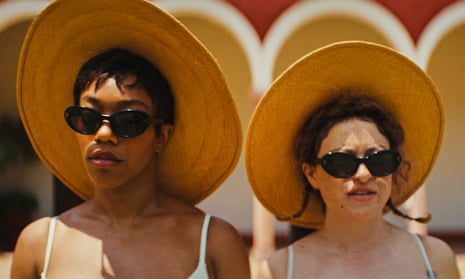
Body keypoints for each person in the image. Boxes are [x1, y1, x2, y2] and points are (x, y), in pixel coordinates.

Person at [11, 0, 250, 278]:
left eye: (128, 121)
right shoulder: (40, 244)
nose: (103, 134)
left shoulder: (214, 244)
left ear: (162, 136)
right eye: (88, 118)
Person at [245, 41, 460, 278]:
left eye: (378, 160)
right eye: (342, 163)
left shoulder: (434, 259)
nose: (364, 174)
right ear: (311, 174)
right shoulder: (280, 270)